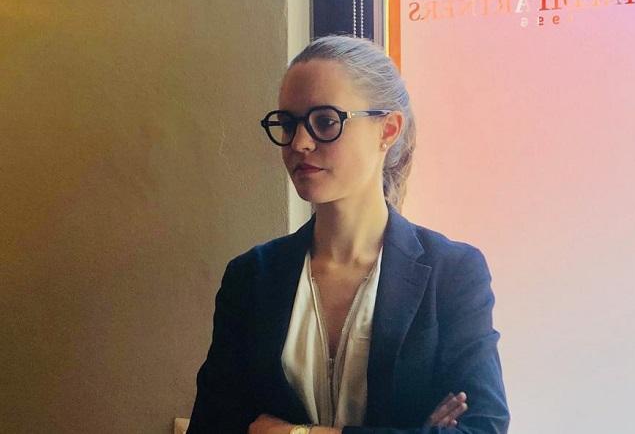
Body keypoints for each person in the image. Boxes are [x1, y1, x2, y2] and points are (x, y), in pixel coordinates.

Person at [186, 35, 510, 434]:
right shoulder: (252, 277)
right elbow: (213, 426)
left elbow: (482, 428)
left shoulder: (453, 272)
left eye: (325, 121)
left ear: (387, 129)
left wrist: (298, 433)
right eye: (288, 124)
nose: (299, 143)